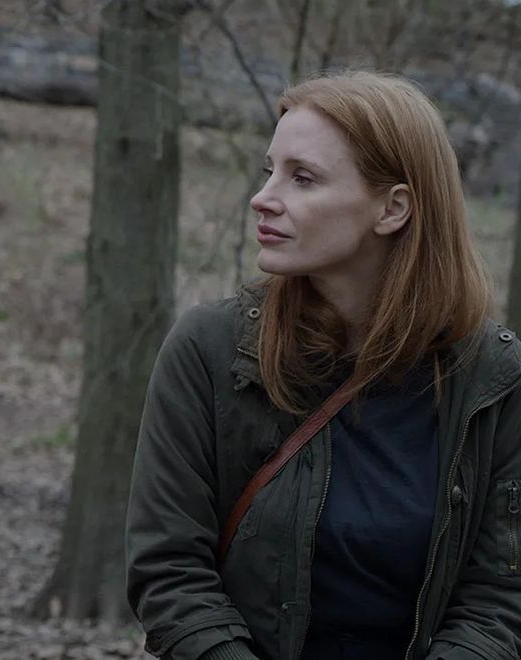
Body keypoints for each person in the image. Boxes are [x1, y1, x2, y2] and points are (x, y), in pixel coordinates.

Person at [125, 71, 521, 660]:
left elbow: (499, 600)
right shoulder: (209, 350)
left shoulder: (493, 379)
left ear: (393, 209)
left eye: (302, 177)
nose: (264, 197)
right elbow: (170, 571)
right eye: (270, 170)